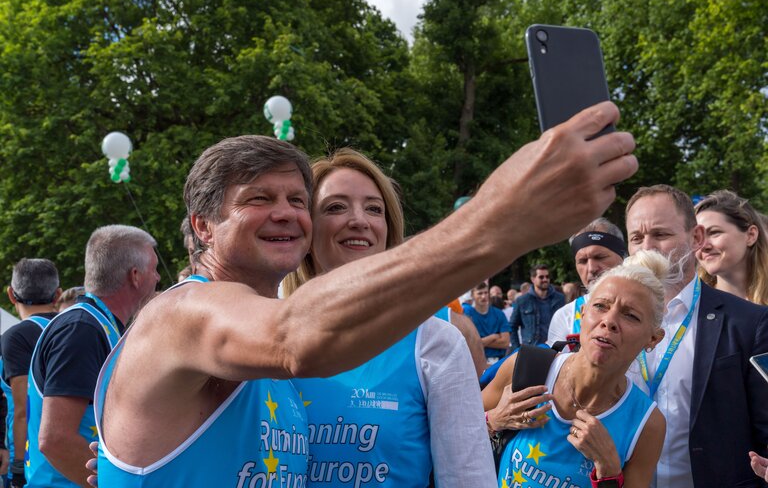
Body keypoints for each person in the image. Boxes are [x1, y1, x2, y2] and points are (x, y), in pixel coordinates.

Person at [93, 102, 639, 487]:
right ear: (203, 227)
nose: (285, 212)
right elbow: (296, 338)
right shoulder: (184, 313)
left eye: (295, 198)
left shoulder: (269, 358)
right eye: (258, 198)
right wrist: (502, 220)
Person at [283, 148, 494, 485]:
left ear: (388, 230)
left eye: (374, 209)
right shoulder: (263, 334)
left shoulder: (435, 341)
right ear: (306, 232)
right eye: (335, 207)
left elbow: (469, 477)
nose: (359, 220)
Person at [483, 250, 668, 487]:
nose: (609, 321)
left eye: (630, 316)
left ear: (653, 339)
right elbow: (455, 435)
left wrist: (610, 471)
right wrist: (494, 420)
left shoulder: (647, 424)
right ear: (582, 315)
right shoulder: (527, 367)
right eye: (600, 306)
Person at [625, 184, 768, 487]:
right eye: (636, 238)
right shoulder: (607, 322)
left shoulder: (748, 322)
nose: (647, 247)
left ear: (695, 238)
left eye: (661, 235)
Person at [27, 225, 159, 487]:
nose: (157, 278)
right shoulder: (82, 330)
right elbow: (55, 439)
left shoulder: (97, 325)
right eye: (154, 269)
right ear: (135, 276)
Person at [2, 259, 62, 488]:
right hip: (75, 450)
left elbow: (21, 409)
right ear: (57, 295)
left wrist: (17, 466)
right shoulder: (76, 326)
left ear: (11, 294)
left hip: (32, 461)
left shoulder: (15, 337)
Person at [547, 218, 627, 346]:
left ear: (623, 258)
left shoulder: (647, 309)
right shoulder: (565, 316)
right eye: (583, 261)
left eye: (599, 257)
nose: (591, 269)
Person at [694, 189, 768, 305]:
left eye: (714, 232)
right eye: (697, 238)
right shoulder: (691, 306)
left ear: (751, 235)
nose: (703, 246)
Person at [509, 265, 565, 351]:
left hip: (555, 348)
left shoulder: (560, 299)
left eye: (547, 276)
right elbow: (512, 326)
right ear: (533, 279)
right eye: (541, 277)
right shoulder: (522, 301)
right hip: (531, 349)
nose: (545, 279)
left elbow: (564, 323)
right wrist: (517, 349)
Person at [464, 282, 512, 363]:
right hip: (477, 361)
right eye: (480, 293)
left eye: (486, 293)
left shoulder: (499, 313)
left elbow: (505, 342)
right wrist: (493, 337)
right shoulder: (468, 314)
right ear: (472, 296)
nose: (483, 296)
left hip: (498, 361)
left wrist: (480, 342)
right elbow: (470, 344)